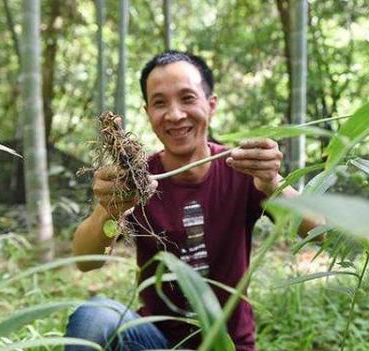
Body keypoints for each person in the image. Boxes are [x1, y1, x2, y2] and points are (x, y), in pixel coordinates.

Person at [65, 50, 324, 351]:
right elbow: (85, 262)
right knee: (92, 317)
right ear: (147, 112)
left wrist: (272, 183)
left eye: (187, 98)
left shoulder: (241, 168)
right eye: (160, 103)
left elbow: (319, 231)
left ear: (211, 105)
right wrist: (108, 210)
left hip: (226, 344)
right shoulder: (136, 181)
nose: (175, 115)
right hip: (154, 342)